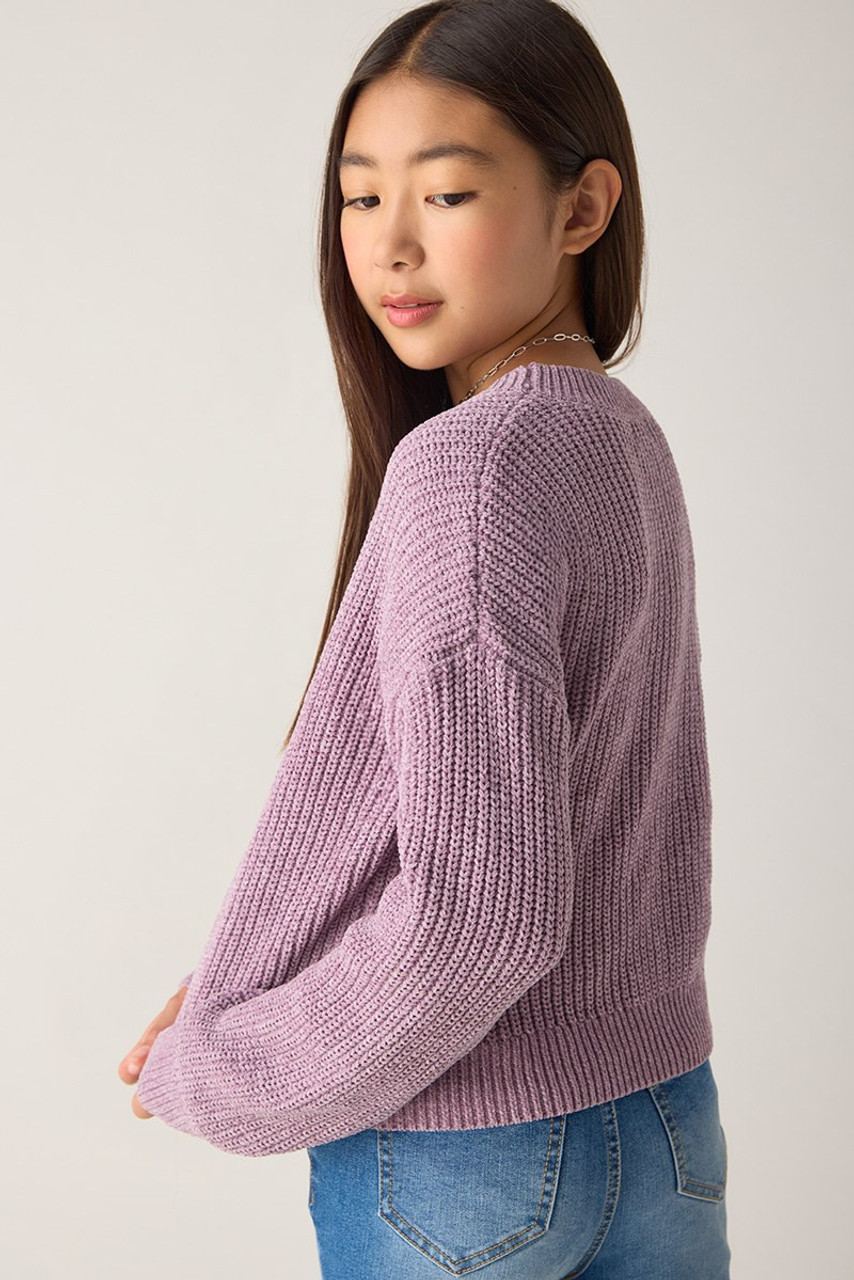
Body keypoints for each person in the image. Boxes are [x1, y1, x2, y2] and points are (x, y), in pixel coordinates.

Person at [118, 0, 731, 1274]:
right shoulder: (620, 437)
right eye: (358, 197)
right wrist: (261, 985)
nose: (389, 245)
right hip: (663, 1121)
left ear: (582, 207)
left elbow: (478, 914)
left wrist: (231, 1067)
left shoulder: (470, 466)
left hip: (463, 1156)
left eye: (446, 193)